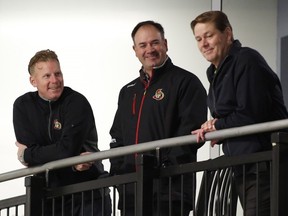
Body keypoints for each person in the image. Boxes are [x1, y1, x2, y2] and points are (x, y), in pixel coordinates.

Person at [190, 11, 288, 216]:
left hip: (265, 165)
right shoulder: (215, 72)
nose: (203, 44)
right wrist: (216, 127)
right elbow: (232, 117)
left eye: (209, 36)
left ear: (227, 34)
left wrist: (218, 126)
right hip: (244, 167)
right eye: (199, 39)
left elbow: (251, 114)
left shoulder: (246, 60)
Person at [109, 20, 207, 216]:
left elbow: (189, 135)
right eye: (143, 45)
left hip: (169, 191)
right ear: (135, 50)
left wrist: (161, 169)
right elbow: (117, 138)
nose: (149, 50)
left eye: (155, 43)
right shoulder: (128, 92)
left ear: (166, 44)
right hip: (131, 194)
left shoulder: (186, 82)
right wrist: (120, 175)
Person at [13, 49, 112, 216]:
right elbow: (49, 156)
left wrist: (28, 154)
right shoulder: (22, 105)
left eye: (58, 74)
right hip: (49, 198)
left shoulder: (76, 101)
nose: (55, 80)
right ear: (33, 81)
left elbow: (66, 148)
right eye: (47, 76)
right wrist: (69, 159)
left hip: (88, 194)